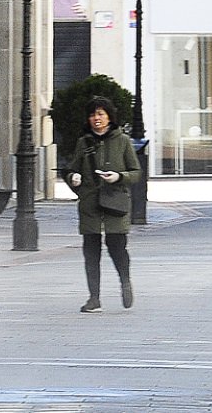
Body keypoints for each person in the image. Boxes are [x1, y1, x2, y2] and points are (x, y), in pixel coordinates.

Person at [63, 96, 141, 313]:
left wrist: (118, 177)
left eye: (100, 114)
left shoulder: (123, 141)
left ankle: (125, 282)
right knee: (91, 252)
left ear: (109, 117)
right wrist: (74, 178)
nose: (96, 118)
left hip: (115, 203)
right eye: (92, 114)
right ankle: (94, 298)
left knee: (117, 248)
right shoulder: (83, 142)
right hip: (90, 205)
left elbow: (136, 173)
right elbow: (71, 169)